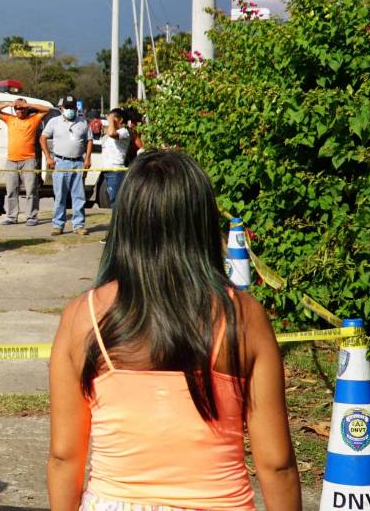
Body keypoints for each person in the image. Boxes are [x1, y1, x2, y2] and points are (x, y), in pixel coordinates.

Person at [47, 150, 300, 510]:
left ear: (125, 222)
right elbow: (277, 464)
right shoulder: (244, 316)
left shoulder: (82, 316)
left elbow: (63, 456)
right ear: (201, 221)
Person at [0, 98, 50, 226]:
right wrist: (9, 103)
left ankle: (31, 216)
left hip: (28, 160)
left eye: (22, 108)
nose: (19, 110)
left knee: (31, 190)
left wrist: (27, 104)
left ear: (26, 109)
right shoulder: (10, 119)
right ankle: (12, 216)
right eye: (17, 108)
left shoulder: (33, 119)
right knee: (11, 190)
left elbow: (47, 110)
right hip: (11, 160)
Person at [41, 97, 93, 236]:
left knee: (79, 196)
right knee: (60, 196)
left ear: (76, 108)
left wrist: (87, 158)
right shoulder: (54, 122)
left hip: (78, 163)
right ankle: (58, 225)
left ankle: (79, 225)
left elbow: (89, 140)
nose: (70, 110)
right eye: (67, 107)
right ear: (61, 108)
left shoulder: (83, 122)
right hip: (60, 162)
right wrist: (48, 157)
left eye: (72, 107)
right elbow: (43, 138)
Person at [99, 108, 141, 207]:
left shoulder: (124, 132)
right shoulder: (112, 131)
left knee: (116, 202)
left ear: (120, 120)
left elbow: (112, 134)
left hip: (116, 171)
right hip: (108, 170)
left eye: (113, 119)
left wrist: (110, 120)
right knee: (112, 200)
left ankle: (118, 222)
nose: (110, 121)